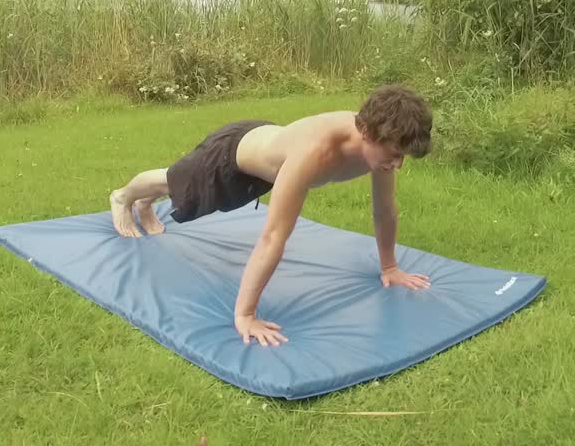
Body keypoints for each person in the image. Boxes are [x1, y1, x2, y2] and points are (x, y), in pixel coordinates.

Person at [107, 84, 434, 347]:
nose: (398, 164)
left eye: (403, 156)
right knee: (174, 183)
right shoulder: (317, 152)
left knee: (182, 195)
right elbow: (274, 236)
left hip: (268, 162)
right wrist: (245, 315)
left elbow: (384, 209)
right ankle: (124, 197)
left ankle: (143, 205)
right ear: (369, 134)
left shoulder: (380, 144)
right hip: (230, 156)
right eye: (395, 155)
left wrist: (390, 267)